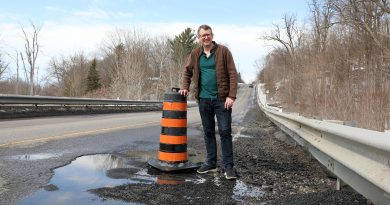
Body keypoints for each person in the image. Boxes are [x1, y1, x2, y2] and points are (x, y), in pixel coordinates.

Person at [179, 24, 238, 179]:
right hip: (204, 100)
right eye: (203, 35)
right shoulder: (195, 53)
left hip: (222, 100)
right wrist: (185, 87)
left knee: (225, 132)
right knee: (208, 132)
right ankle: (211, 162)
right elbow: (187, 71)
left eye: (208, 34)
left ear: (212, 35)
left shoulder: (223, 51)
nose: (206, 37)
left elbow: (232, 73)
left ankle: (229, 167)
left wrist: (231, 96)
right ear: (199, 38)